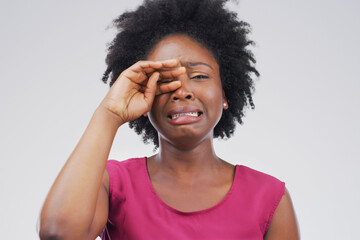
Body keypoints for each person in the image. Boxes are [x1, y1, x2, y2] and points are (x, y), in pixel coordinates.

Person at [39, 0, 300, 239]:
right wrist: (109, 114)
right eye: (163, 81)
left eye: (199, 76)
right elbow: (58, 233)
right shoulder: (114, 183)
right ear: (143, 95)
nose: (182, 91)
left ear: (225, 93)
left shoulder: (269, 197)